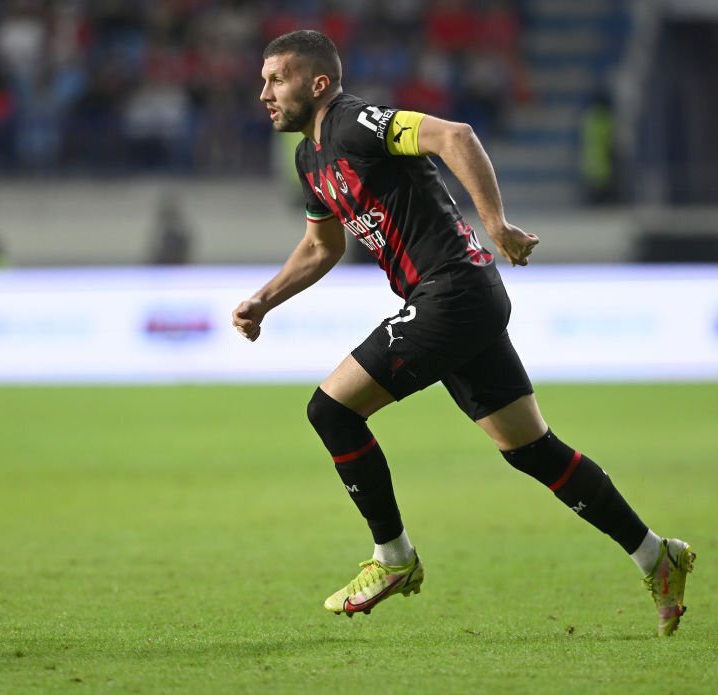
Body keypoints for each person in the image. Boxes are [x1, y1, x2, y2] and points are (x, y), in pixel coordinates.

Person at [231, 30, 694, 636]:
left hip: (450, 291)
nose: (264, 91)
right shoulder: (309, 158)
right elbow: (322, 246)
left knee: (331, 411)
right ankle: (657, 555)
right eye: (263, 79)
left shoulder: (352, 123)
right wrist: (265, 299)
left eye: (276, 79)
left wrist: (495, 223)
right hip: (460, 302)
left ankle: (393, 558)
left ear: (317, 84)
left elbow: (455, 135)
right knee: (532, 450)